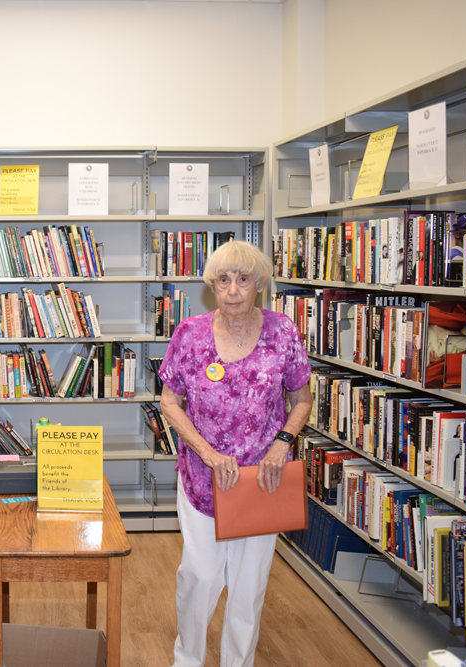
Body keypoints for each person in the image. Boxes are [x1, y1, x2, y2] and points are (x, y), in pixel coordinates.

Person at [158, 239, 312, 667]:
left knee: (248, 588)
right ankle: (187, 659)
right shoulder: (189, 334)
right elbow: (169, 402)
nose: (232, 291)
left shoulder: (283, 332)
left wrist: (283, 443)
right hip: (203, 479)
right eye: (223, 280)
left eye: (243, 280)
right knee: (200, 578)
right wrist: (208, 453)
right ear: (211, 285)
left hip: (262, 482)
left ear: (258, 283)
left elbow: (302, 398)